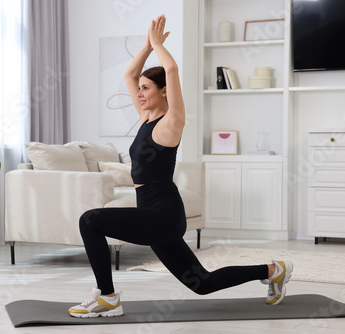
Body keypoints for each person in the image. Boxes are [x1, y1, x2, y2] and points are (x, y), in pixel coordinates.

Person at [68, 15, 293, 318]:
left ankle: (107, 297)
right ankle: (273, 270)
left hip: (163, 215)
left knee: (90, 220)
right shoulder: (147, 118)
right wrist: (148, 45)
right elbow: (129, 74)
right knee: (202, 283)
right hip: (154, 214)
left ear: (163, 91)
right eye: (140, 88)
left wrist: (160, 46)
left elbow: (171, 69)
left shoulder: (171, 122)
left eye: (146, 88)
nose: (139, 93)